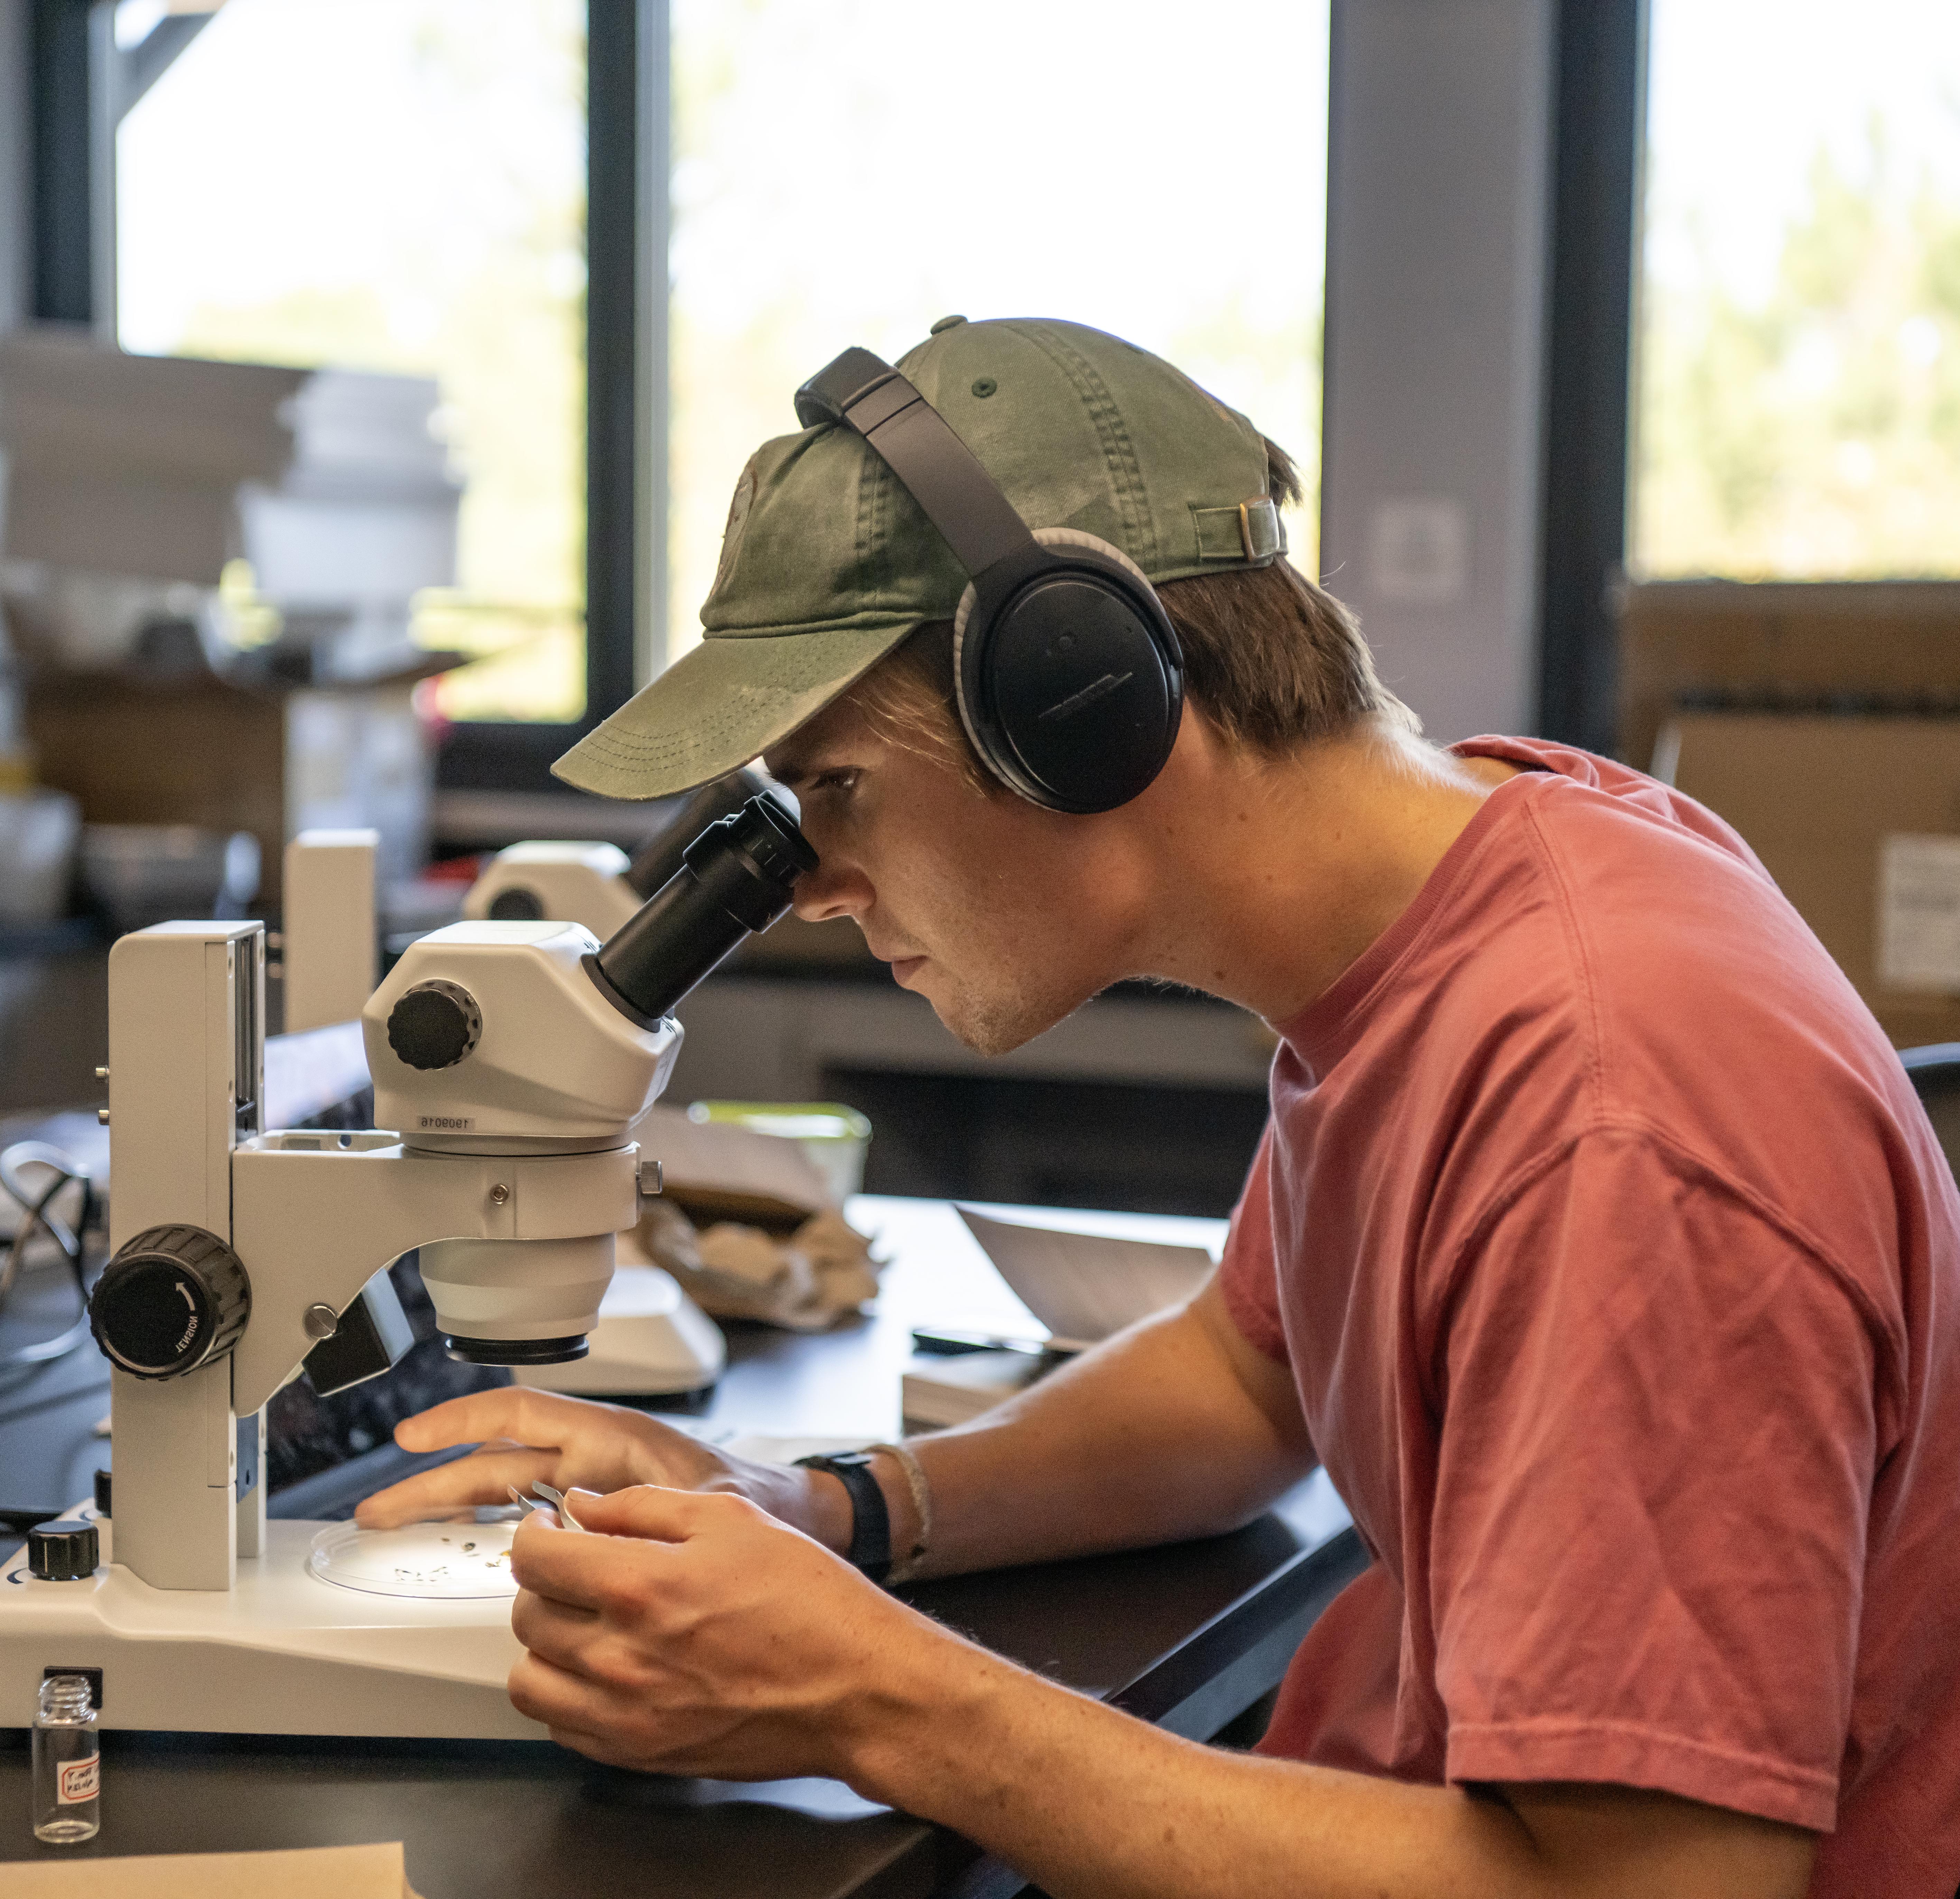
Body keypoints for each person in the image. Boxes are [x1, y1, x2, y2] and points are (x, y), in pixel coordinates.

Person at [359, 317, 1960, 1898]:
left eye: (833, 786)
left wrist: (871, 1696)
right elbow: (1242, 1376)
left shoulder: (1605, 1112)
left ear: (1080, 703)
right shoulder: (1482, 886)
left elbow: (1649, 1896)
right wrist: (827, 1506)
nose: (816, 891)